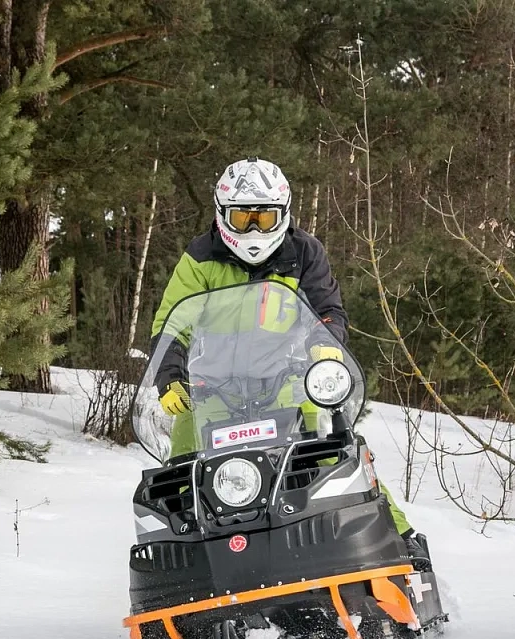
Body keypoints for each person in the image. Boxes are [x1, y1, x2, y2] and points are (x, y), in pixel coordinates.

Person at [147, 156, 431, 570]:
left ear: (284, 214)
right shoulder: (200, 256)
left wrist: (326, 347)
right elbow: (171, 322)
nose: (254, 230)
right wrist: (170, 375)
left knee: (335, 448)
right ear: (222, 214)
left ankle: (399, 538)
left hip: (289, 381)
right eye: (243, 218)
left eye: (264, 218)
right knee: (183, 467)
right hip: (214, 390)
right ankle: (183, 562)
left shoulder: (304, 252)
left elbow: (327, 308)